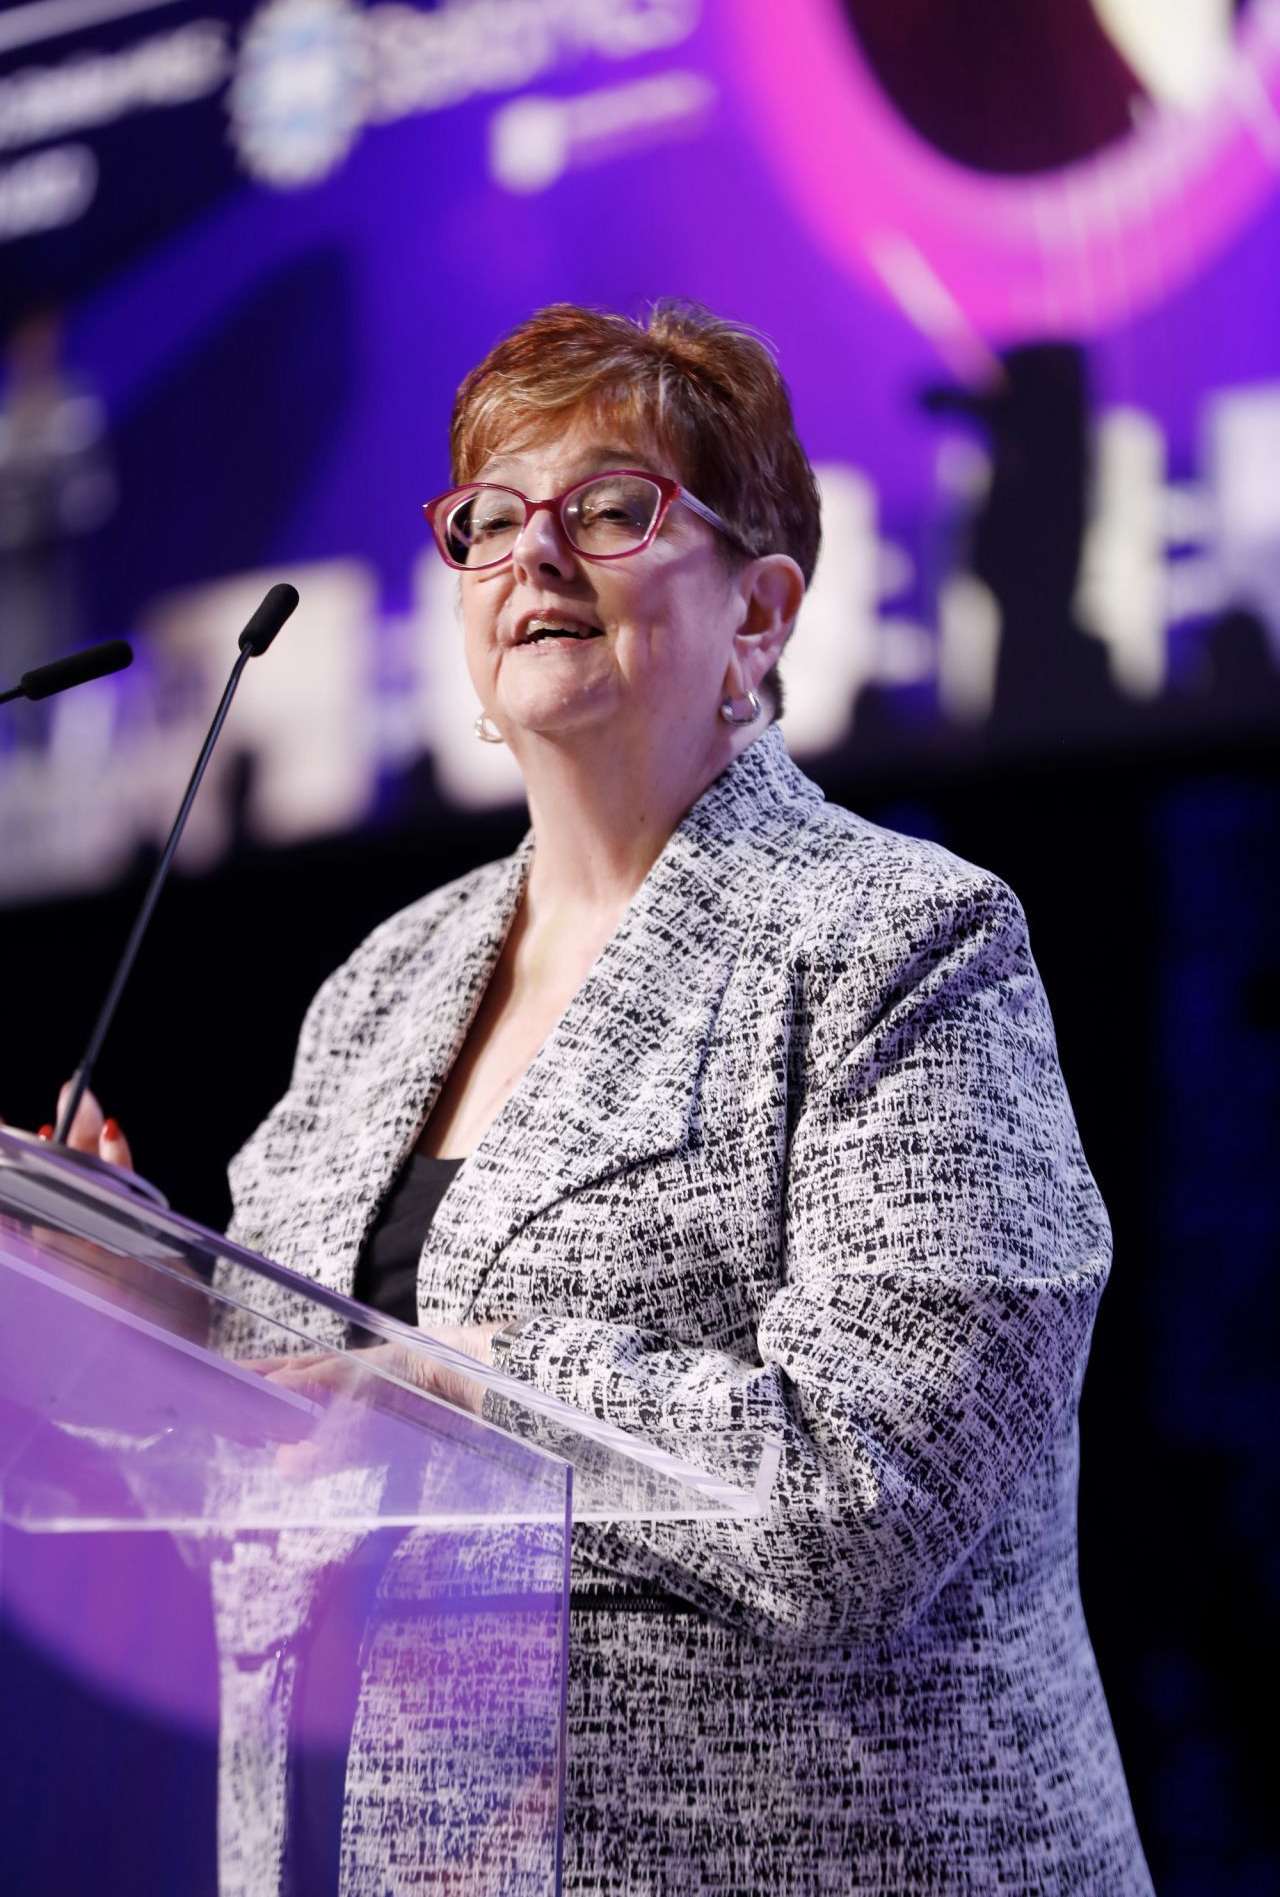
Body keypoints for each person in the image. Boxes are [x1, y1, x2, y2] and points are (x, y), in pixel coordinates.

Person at [56, 301, 1153, 1894]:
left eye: (611, 510)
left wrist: (475, 1389)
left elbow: (868, 1492)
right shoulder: (384, 981)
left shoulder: (899, 943)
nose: (531, 558)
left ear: (761, 613)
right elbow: (298, 1406)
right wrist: (136, 1291)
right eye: (488, 522)